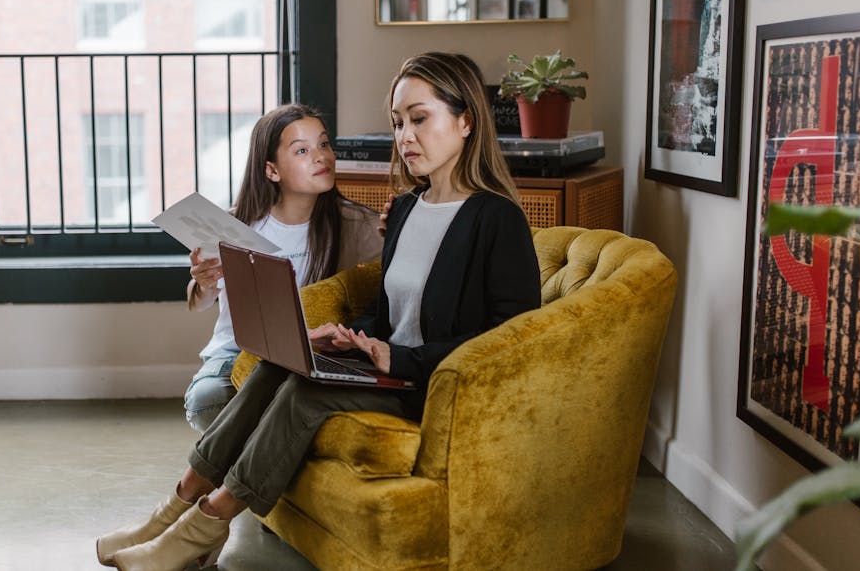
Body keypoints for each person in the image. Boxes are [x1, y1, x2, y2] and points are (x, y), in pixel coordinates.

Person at [95, 52, 541, 570]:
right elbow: (389, 312)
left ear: (466, 121)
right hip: (387, 368)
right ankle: (171, 511)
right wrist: (349, 336)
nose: (405, 136)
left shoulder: (498, 219)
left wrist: (398, 359)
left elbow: (511, 340)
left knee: (306, 392)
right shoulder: (406, 208)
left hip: (430, 383)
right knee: (278, 365)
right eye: (398, 122)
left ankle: (202, 528)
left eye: (419, 119)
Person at [182, 104, 382, 432]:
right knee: (209, 402)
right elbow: (198, 303)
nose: (321, 157)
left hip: (309, 355)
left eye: (323, 144)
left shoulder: (357, 224)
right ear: (272, 170)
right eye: (302, 150)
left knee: (288, 405)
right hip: (236, 354)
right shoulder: (236, 225)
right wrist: (204, 284)